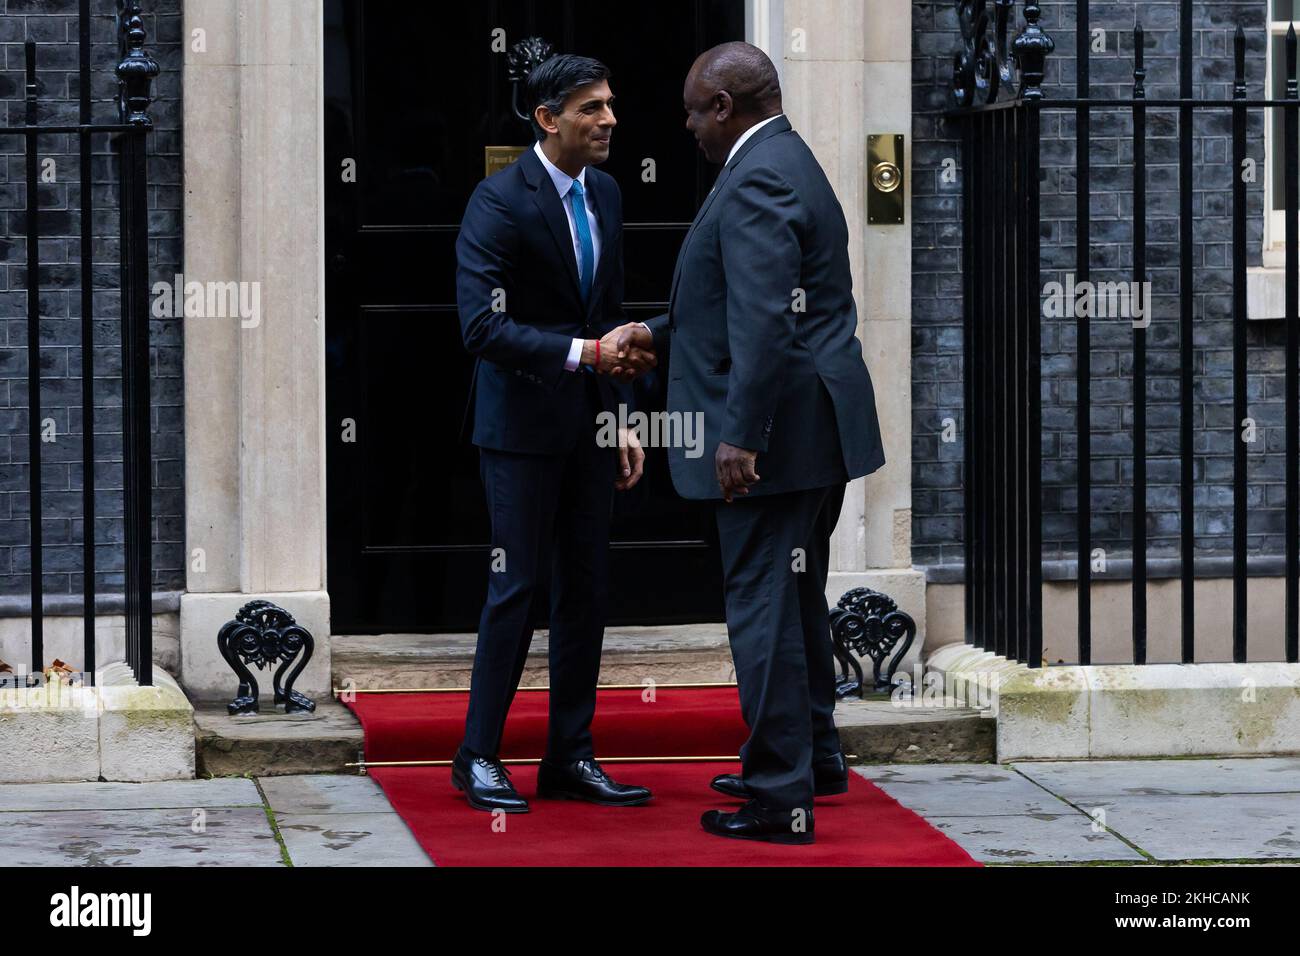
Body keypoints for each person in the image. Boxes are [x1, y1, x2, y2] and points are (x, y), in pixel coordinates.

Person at [616, 41, 886, 844]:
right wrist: (657, 335)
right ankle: (815, 758)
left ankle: (778, 795)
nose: (689, 129)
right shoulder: (788, 158)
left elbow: (766, 321)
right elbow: (739, 306)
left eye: (694, 113)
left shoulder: (757, 174)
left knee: (762, 607)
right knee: (798, 594)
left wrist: (740, 436)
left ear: (723, 107)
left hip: (777, 440)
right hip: (816, 432)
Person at [453, 53, 656, 813]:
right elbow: (481, 327)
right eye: (591, 108)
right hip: (517, 431)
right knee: (517, 587)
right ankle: (476, 755)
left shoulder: (605, 191)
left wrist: (623, 416)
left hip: (589, 427)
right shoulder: (498, 202)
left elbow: (608, 312)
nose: (608, 119)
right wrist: (583, 355)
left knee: (587, 591)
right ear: (546, 119)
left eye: (609, 104)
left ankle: (570, 755)